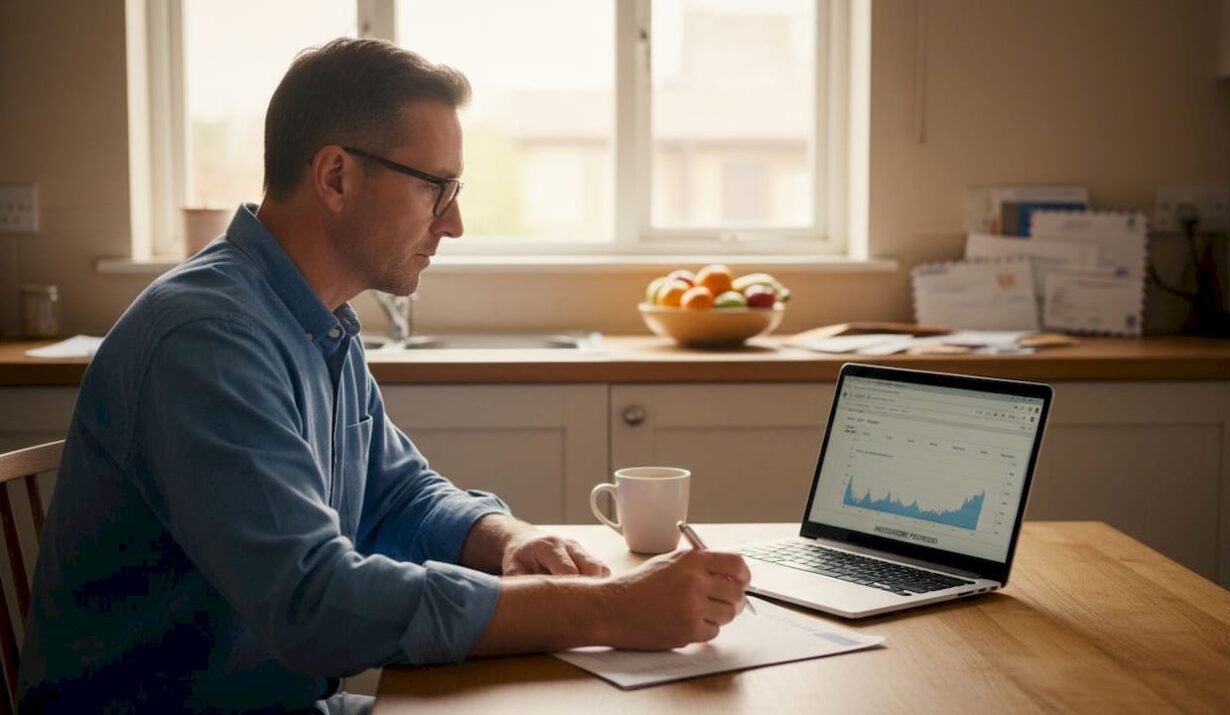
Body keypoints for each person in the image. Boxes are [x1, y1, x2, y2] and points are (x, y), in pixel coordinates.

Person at [18, 38, 750, 714]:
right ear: (335, 175)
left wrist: (507, 539)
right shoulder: (207, 340)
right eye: (437, 187)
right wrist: (610, 608)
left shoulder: (314, 319)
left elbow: (398, 493)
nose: (455, 223)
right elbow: (317, 602)